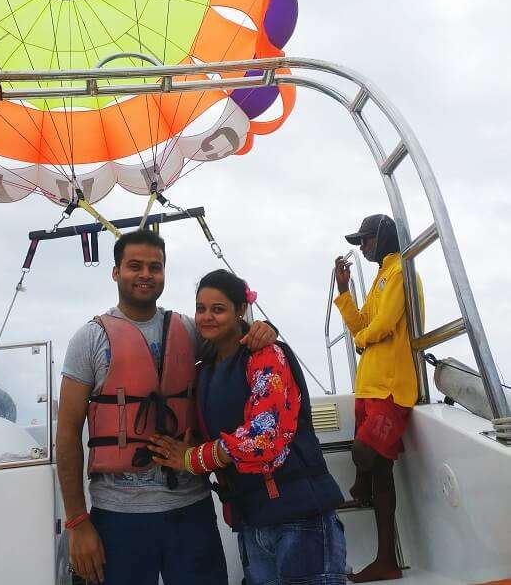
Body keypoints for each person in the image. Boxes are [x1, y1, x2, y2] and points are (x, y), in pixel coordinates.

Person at [56, 229, 278, 585]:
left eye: (155, 267)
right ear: (115, 272)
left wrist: (265, 328)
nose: (145, 275)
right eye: (134, 266)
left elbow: (239, 342)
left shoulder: (189, 331)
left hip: (190, 510)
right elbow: (66, 434)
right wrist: (78, 523)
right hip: (117, 514)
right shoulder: (89, 339)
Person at [150, 269, 347, 585]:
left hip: (299, 519)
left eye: (218, 309)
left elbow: (264, 437)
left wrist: (192, 459)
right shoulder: (204, 373)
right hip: (252, 522)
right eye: (201, 309)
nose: (207, 317)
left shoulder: (267, 355)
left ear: (241, 309)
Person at [334, 214, 424, 583]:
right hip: (369, 387)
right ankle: (385, 558)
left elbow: (384, 324)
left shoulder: (401, 271)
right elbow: (361, 325)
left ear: (384, 236)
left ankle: (362, 489)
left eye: (366, 240)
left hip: (390, 387)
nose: (362, 247)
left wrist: (360, 340)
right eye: (359, 242)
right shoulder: (380, 278)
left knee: (363, 453)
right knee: (379, 468)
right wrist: (343, 291)